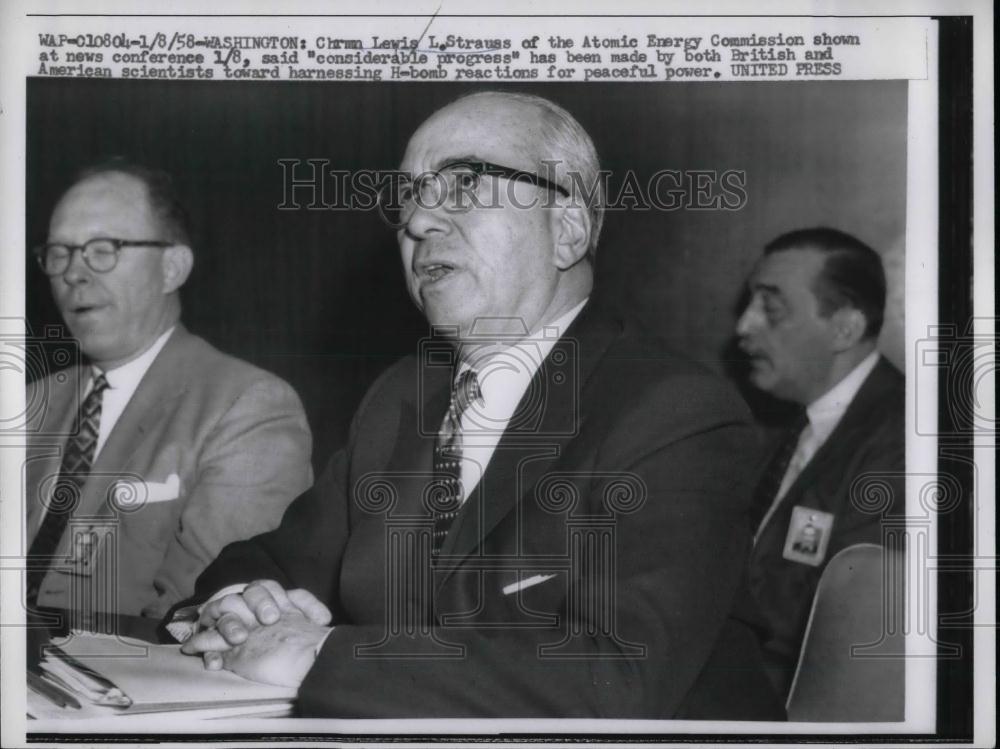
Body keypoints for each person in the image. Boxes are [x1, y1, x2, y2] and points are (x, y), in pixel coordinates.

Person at [175, 92, 783, 719]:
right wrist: (244, 605)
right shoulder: (402, 397)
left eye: (462, 183)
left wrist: (317, 657)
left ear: (566, 230)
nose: (417, 221)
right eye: (409, 195)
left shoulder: (676, 413)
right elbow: (269, 559)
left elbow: (614, 673)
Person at [25, 162, 313, 619]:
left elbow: (198, 613)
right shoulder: (26, 404)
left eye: (103, 249)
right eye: (59, 253)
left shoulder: (248, 407)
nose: (73, 274)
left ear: (172, 267)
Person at [735, 227, 905, 698]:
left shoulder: (902, 447)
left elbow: (839, 645)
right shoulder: (792, 425)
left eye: (770, 308)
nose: (744, 326)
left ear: (844, 328)